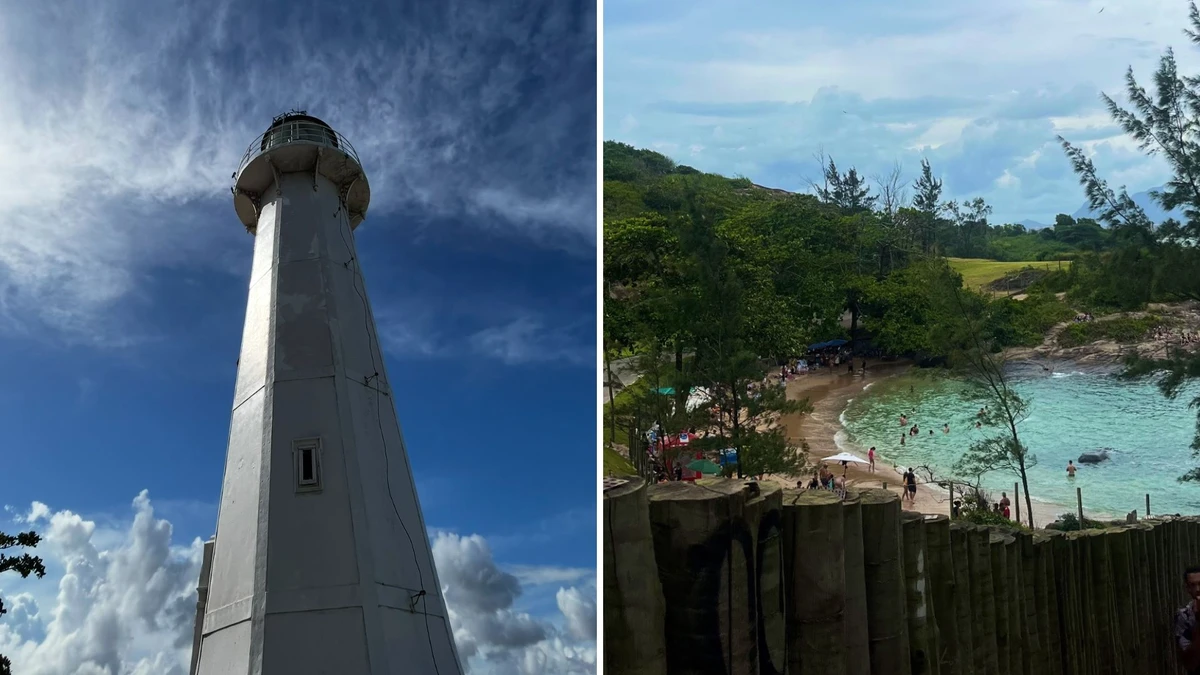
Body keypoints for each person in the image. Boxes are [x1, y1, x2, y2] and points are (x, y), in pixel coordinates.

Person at [1176, 565, 1200, 673]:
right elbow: (1190, 663)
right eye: (1193, 585)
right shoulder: (1184, 616)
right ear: (1188, 589)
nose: (1198, 589)